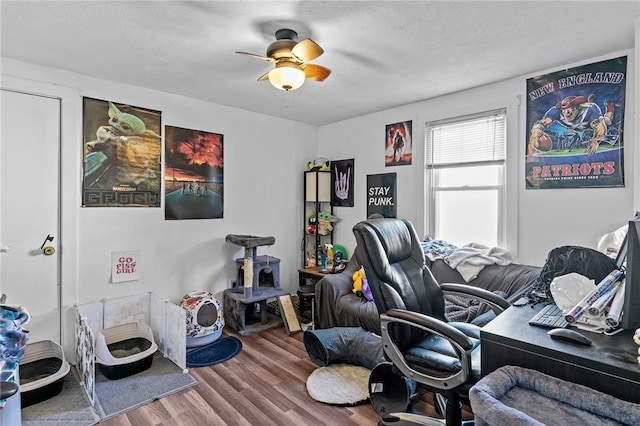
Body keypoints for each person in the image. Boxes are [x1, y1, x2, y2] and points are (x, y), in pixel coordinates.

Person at [528, 95, 607, 156]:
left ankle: (610, 107)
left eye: (572, 108)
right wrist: (536, 130)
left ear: (579, 107)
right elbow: (543, 122)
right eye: (564, 110)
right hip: (576, 128)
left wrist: (595, 140)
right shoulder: (556, 112)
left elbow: (601, 126)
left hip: (587, 125)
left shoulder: (590, 109)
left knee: (607, 121)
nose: (567, 113)